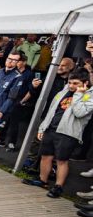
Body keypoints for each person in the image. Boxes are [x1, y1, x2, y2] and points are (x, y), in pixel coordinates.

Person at [22, 69, 93, 198]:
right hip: (51, 128)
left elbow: (79, 113)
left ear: (85, 83)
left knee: (61, 160)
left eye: (75, 83)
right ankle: (42, 180)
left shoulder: (89, 96)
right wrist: (43, 127)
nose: (71, 86)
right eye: (70, 82)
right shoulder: (64, 91)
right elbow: (52, 109)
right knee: (45, 156)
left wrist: (78, 94)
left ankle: (58, 187)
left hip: (67, 133)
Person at [5, 52, 34, 152]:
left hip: (19, 100)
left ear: (24, 62)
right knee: (5, 120)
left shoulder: (29, 74)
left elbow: (31, 90)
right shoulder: (13, 71)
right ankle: (1, 139)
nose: (16, 62)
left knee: (14, 123)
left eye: (19, 61)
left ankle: (11, 143)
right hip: (8, 99)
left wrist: (22, 101)